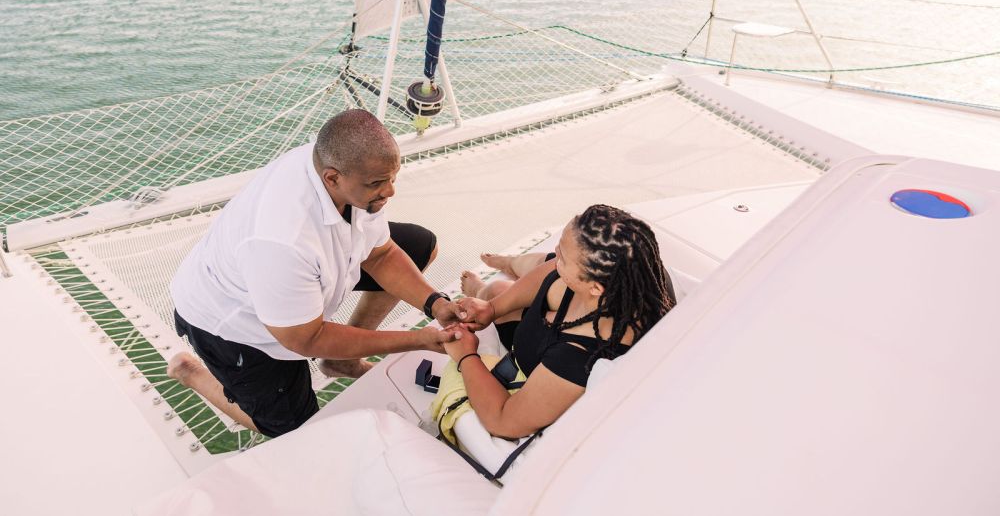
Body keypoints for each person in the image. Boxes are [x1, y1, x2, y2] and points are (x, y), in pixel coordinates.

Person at [167, 109, 467, 437]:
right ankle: (191, 372)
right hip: (234, 323)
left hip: (294, 283)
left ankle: (342, 362)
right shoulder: (283, 240)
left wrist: (436, 305)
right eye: (378, 183)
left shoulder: (351, 175)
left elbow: (381, 256)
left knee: (419, 245)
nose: (390, 191)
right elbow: (307, 339)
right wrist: (417, 340)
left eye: (393, 177)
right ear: (332, 178)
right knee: (296, 430)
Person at [437, 204, 676, 442]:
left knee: (497, 287)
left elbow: (503, 421)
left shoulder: (579, 359)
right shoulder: (632, 274)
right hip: (557, 316)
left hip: (539, 349)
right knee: (508, 285)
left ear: (595, 287)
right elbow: (549, 270)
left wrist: (466, 356)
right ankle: (507, 265)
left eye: (563, 255)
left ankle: (486, 285)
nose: (556, 254)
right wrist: (492, 307)